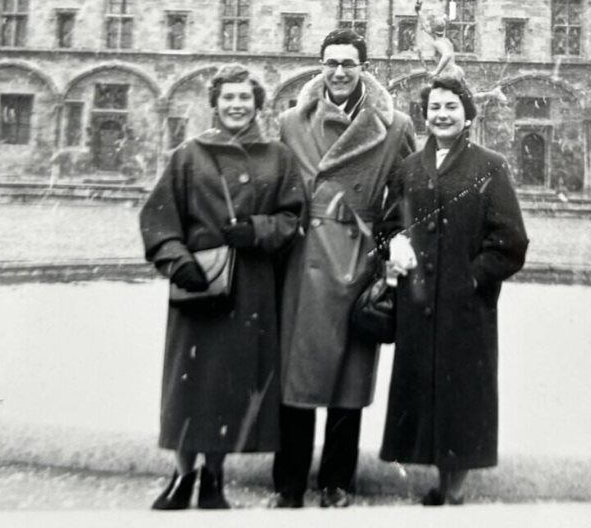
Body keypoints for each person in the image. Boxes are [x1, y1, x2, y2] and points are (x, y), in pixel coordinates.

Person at [139, 64, 305, 510]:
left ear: (257, 104)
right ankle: (181, 475)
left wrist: (258, 230)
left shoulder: (278, 157)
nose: (236, 105)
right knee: (189, 385)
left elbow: (294, 218)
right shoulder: (188, 156)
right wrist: (178, 261)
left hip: (250, 289)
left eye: (244, 98)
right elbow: (158, 219)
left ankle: (214, 477)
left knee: (229, 387)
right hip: (199, 286)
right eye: (228, 98)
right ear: (215, 104)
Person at [271, 29, 416, 508]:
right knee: (298, 373)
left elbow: (408, 196)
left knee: (347, 376)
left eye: (349, 63)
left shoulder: (394, 126)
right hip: (303, 257)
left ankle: (337, 482)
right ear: (320, 66)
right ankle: (289, 484)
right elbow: (276, 187)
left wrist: (395, 243)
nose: (338, 72)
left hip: (357, 258)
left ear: (363, 68)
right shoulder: (292, 121)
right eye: (331, 62)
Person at [380, 76, 528, 506]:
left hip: (466, 308)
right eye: (435, 108)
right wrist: (395, 243)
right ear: (425, 115)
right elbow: (388, 224)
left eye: (451, 107)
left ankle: (454, 490)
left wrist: (472, 279)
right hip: (419, 304)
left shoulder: (489, 165)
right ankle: (437, 479)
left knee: (461, 394)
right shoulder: (409, 168)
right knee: (425, 391)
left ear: (467, 116)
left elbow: (510, 241)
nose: (442, 115)